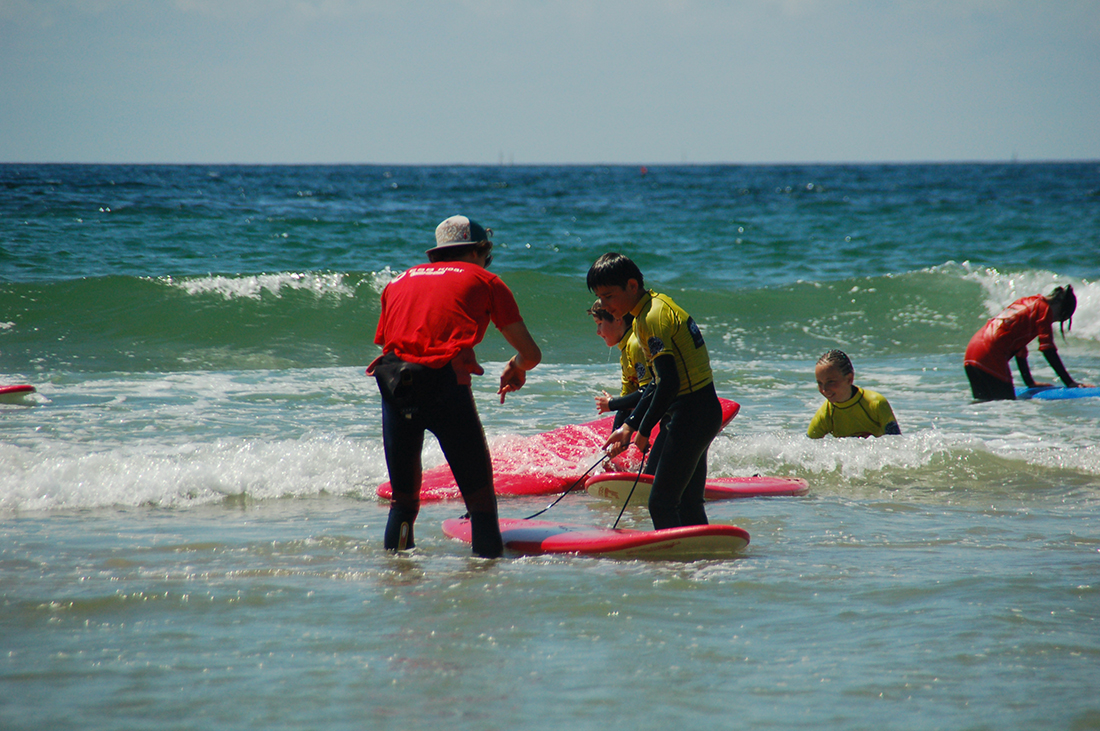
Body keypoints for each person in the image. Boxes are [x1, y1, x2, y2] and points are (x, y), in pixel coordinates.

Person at [368, 215, 542, 558]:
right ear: (481, 250)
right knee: (479, 500)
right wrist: (515, 366)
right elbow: (531, 353)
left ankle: (398, 579)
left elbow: (392, 343)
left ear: (437, 253)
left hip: (394, 385)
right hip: (445, 385)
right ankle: (485, 582)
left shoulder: (398, 282)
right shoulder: (486, 279)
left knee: (403, 502)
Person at [588, 252, 721, 530]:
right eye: (600, 297)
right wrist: (630, 426)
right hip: (698, 412)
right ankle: (700, 561)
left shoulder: (651, 318)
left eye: (609, 296)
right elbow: (657, 384)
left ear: (632, 285)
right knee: (687, 501)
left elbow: (669, 382)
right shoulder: (646, 313)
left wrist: (642, 428)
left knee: (661, 503)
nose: (604, 305)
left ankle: (673, 568)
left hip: (692, 413)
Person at [964, 284, 1090, 401]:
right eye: (1060, 317)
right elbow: (1047, 348)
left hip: (972, 353)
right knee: (1005, 405)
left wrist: (1029, 382)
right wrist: (1070, 383)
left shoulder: (1026, 302)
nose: (1055, 320)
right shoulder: (1044, 309)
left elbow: (1019, 348)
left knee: (983, 404)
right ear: (1059, 305)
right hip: (990, 354)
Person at [808, 350, 901, 439]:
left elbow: (897, 444)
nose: (824, 390)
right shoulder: (826, 413)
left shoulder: (876, 404)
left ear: (849, 379)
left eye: (831, 382)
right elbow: (806, 447)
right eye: (820, 383)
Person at [588, 299, 651, 430]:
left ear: (618, 319)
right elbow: (627, 401)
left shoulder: (636, 345)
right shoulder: (626, 349)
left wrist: (613, 404)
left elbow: (650, 392)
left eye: (600, 323)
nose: (597, 332)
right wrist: (613, 441)